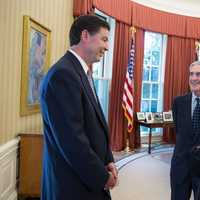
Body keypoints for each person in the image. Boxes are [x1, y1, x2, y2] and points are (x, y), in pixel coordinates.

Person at [40, 15, 118, 200]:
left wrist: (108, 160)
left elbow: (94, 126)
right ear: (85, 36)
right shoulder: (63, 75)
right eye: (104, 39)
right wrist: (101, 177)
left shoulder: (81, 72)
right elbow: (72, 141)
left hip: (84, 179)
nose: (107, 47)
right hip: (73, 186)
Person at [171, 61, 200, 200]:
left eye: (198, 74)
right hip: (181, 166)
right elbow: (179, 132)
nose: (193, 78)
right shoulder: (178, 102)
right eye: (191, 74)